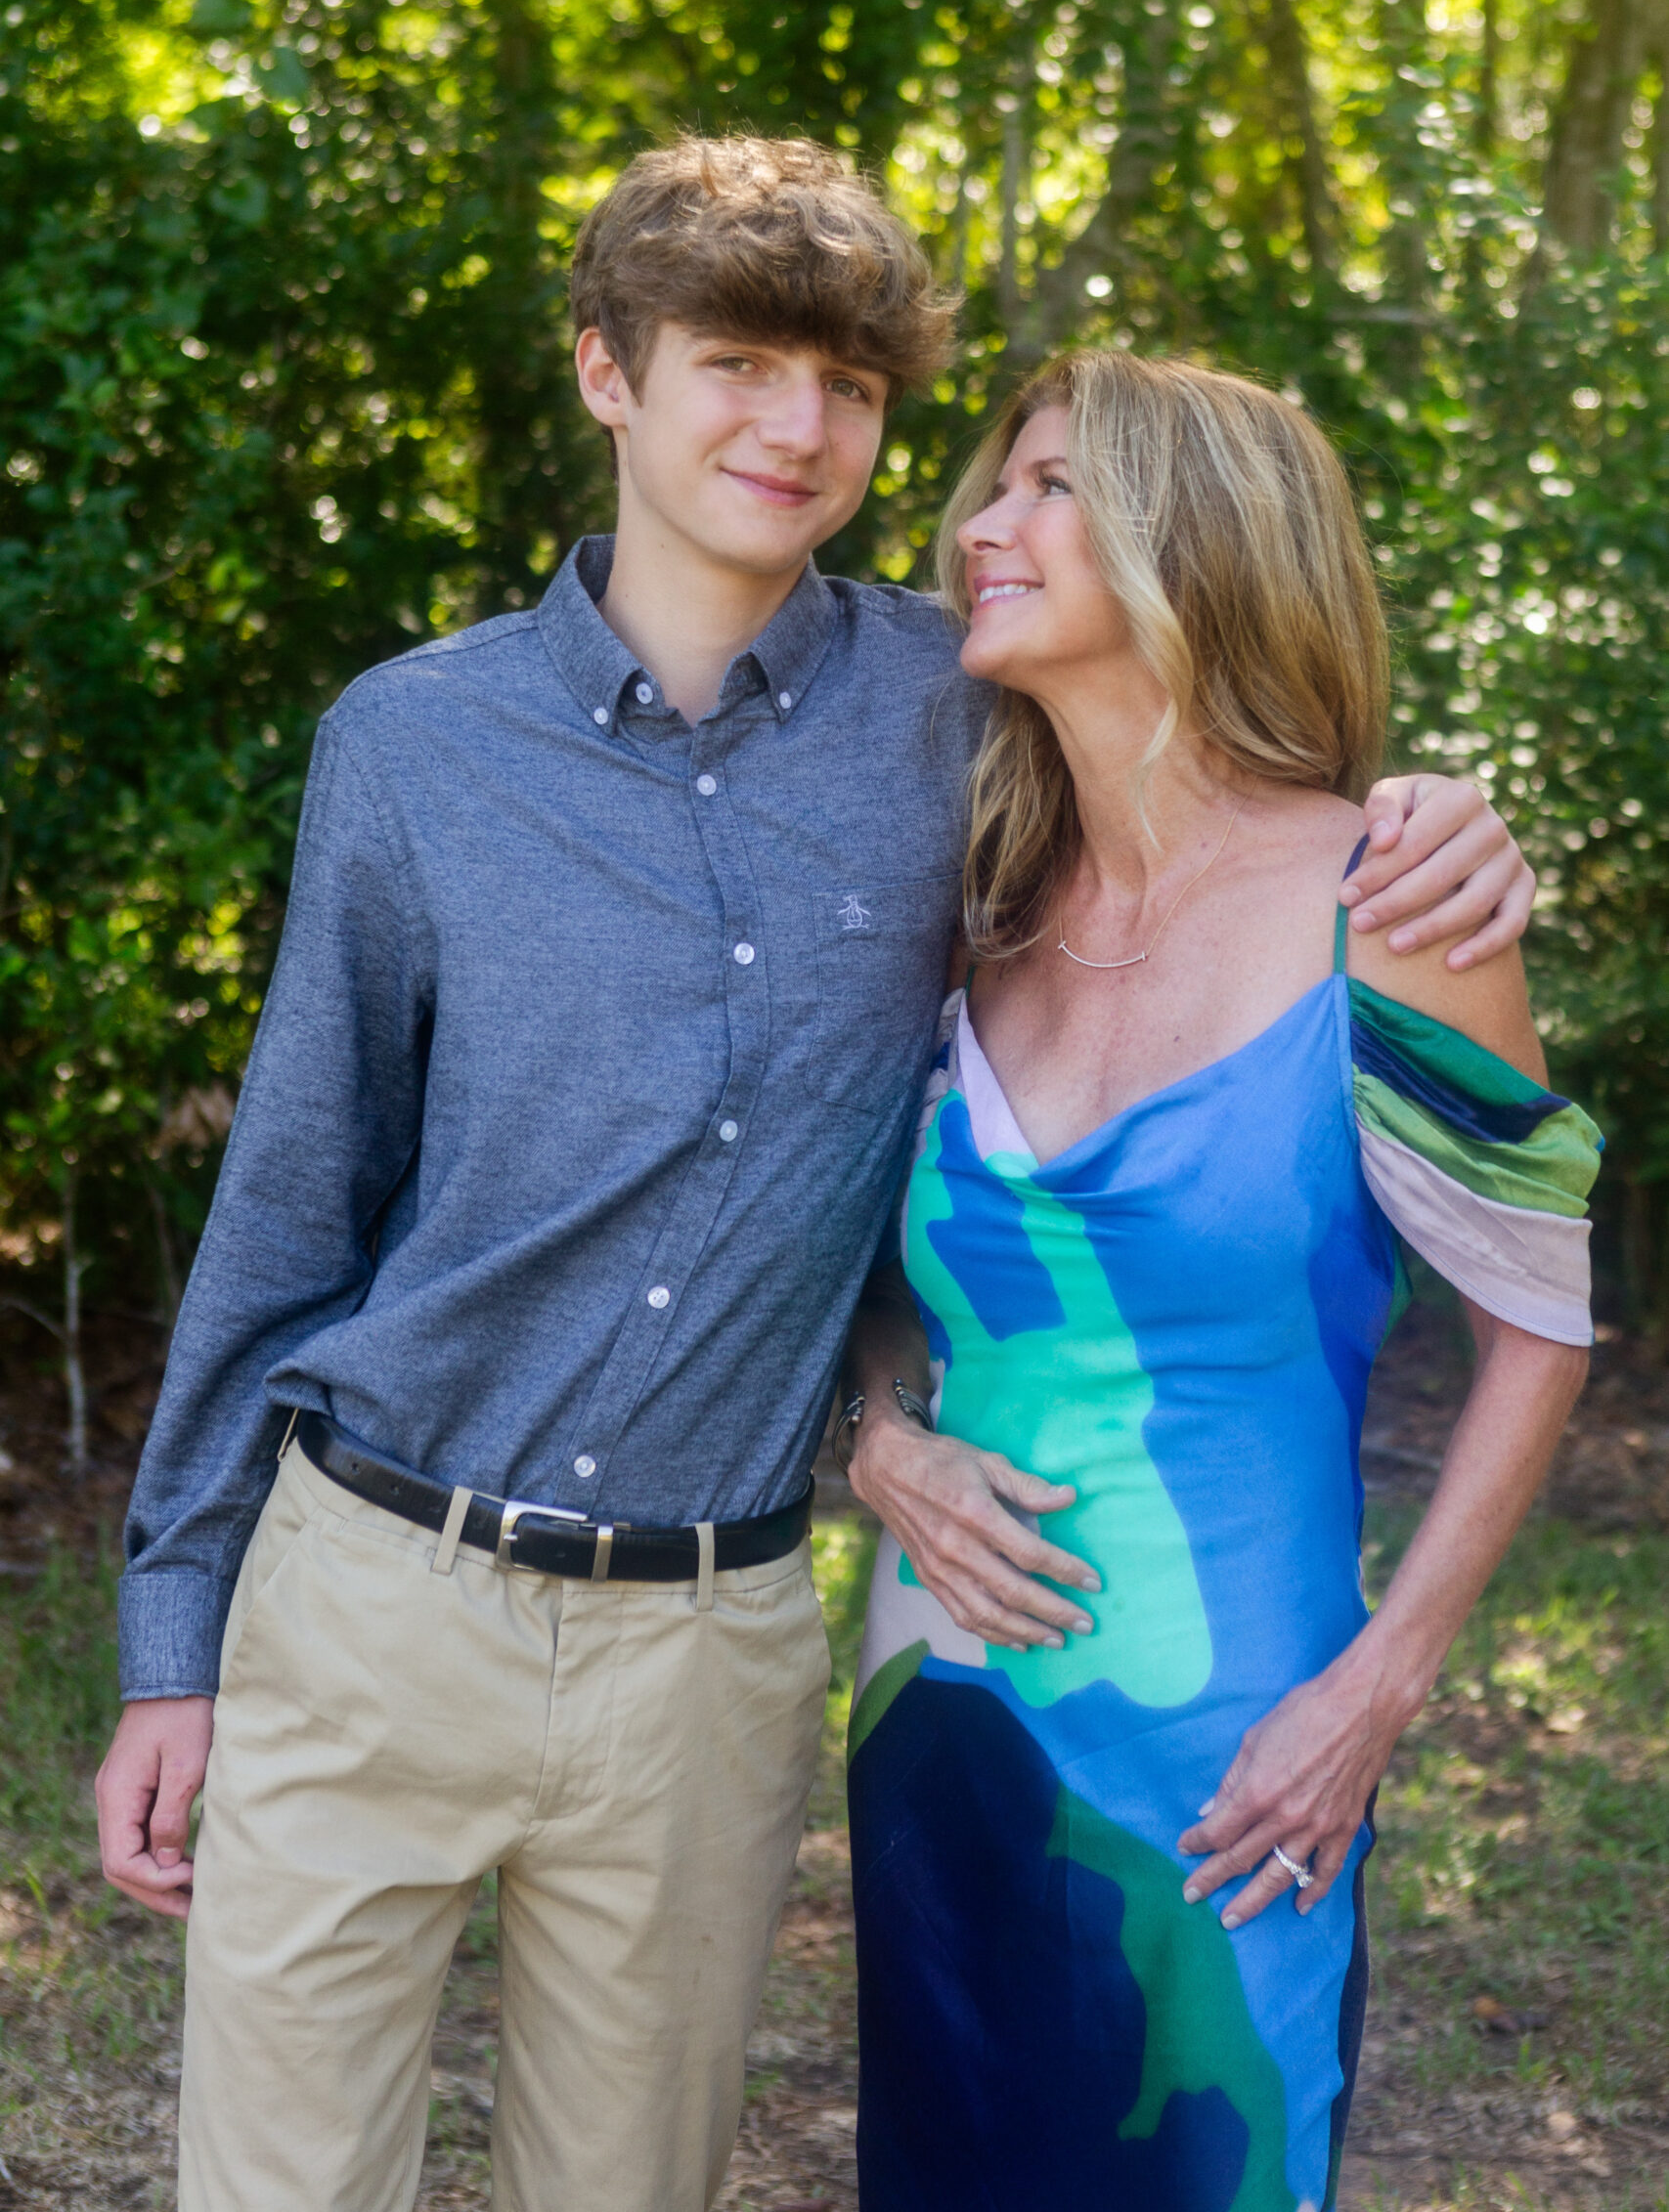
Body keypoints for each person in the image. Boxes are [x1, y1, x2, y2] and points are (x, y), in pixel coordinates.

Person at [95, 138, 1534, 2212]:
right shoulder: (411, 747)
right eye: (739, 365)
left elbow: (1194, 798)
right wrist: (172, 1637)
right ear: (607, 372)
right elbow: (291, 1211)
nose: (797, 426)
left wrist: (1437, 814)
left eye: (849, 387)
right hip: (376, 1591)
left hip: (711, 1640)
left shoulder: (962, 709)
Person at [841, 351, 1600, 2212]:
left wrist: (1378, 1687)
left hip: (1237, 1743)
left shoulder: (1393, 908)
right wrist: (878, 1438)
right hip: (936, 1708)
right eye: (996, 484)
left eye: (1049, 488)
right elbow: (856, 1266)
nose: (983, 525)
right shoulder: (967, 904)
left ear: (1196, 544)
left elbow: (1540, 1326)